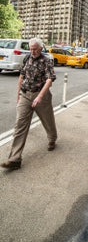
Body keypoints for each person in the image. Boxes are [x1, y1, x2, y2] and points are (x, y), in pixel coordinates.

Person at [1, 38, 57, 171]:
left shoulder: (46, 61)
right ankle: (14, 159)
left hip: (41, 96)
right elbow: (21, 76)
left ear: (41, 48)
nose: (33, 51)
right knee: (19, 125)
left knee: (48, 121)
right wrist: (18, 95)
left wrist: (40, 97)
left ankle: (52, 138)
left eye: (35, 49)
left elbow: (50, 79)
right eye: (31, 49)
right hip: (25, 95)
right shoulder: (27, 58)